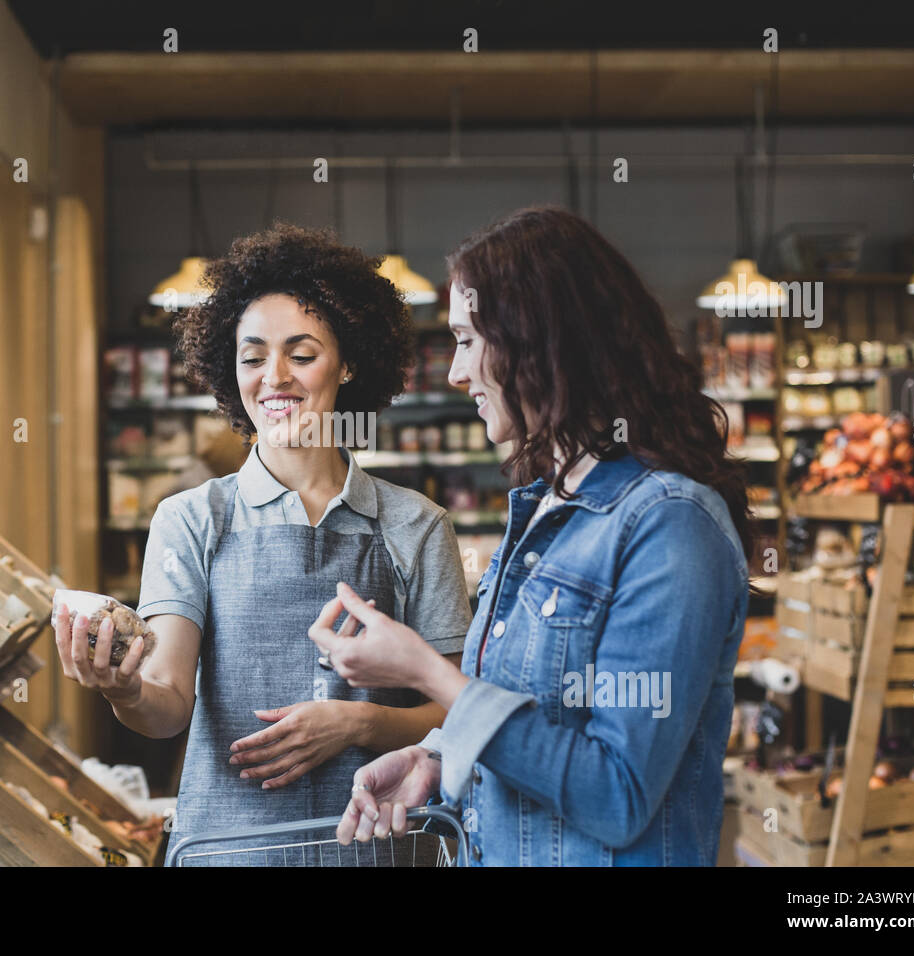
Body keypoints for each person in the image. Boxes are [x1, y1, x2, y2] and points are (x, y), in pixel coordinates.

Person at [309, 206, 752, 866]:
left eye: (466, 340)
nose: (457, 374)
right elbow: (535, 717)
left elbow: (617, 793)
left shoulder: (670, 523)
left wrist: (426, 672)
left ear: (535, 341)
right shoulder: (544, 512)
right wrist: (437, 756)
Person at [54, 224, 471, 865]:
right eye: (253, 357)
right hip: (229, 846)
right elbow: (166, 704)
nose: (274, 378)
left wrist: (360, 724)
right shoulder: (192, 519)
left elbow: (456, 711)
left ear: (350, 361)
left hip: (379, 847)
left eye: (301, 355)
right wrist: (123, 689)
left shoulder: (416, 525)